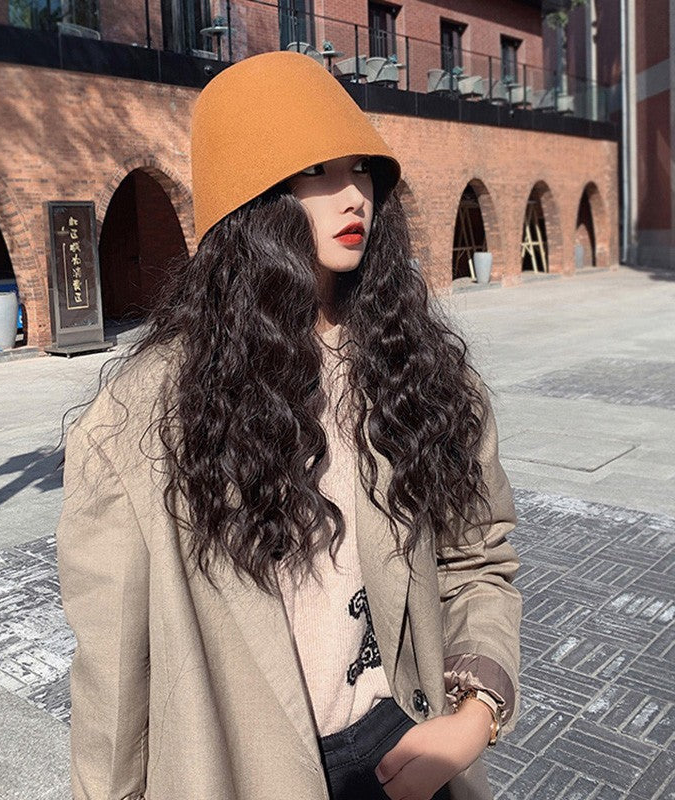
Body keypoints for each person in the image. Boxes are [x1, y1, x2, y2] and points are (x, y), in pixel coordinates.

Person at [56, 50, 521, 800]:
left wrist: (475, 714)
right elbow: (114, 679)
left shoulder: (419, 373)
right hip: (238, 765)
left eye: (361, 169)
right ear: (252, 200)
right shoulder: (140, 420)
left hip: (403, 742)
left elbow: (478, 560)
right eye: (316, 173)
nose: (354, 195)